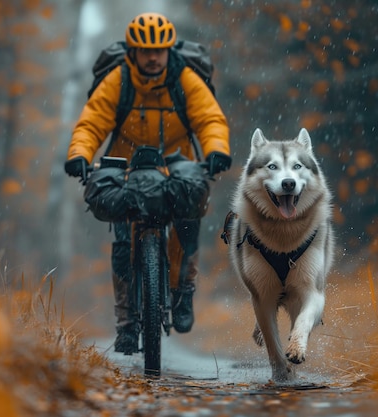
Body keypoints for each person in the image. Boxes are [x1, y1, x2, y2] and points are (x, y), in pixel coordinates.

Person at [64, 12, 231, 355]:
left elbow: (209, 118)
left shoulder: (184, 78)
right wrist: (80, 154)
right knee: (124, 242)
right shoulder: (119, 79)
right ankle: (126, 322)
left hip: (176, 168)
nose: (153, 57)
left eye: (160, 50)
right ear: (133, 52)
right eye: (145, 51)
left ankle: (182, 291)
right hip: (126, 170)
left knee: (187, 225)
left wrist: (216, 150)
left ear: (169, 50)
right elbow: (92, 122)